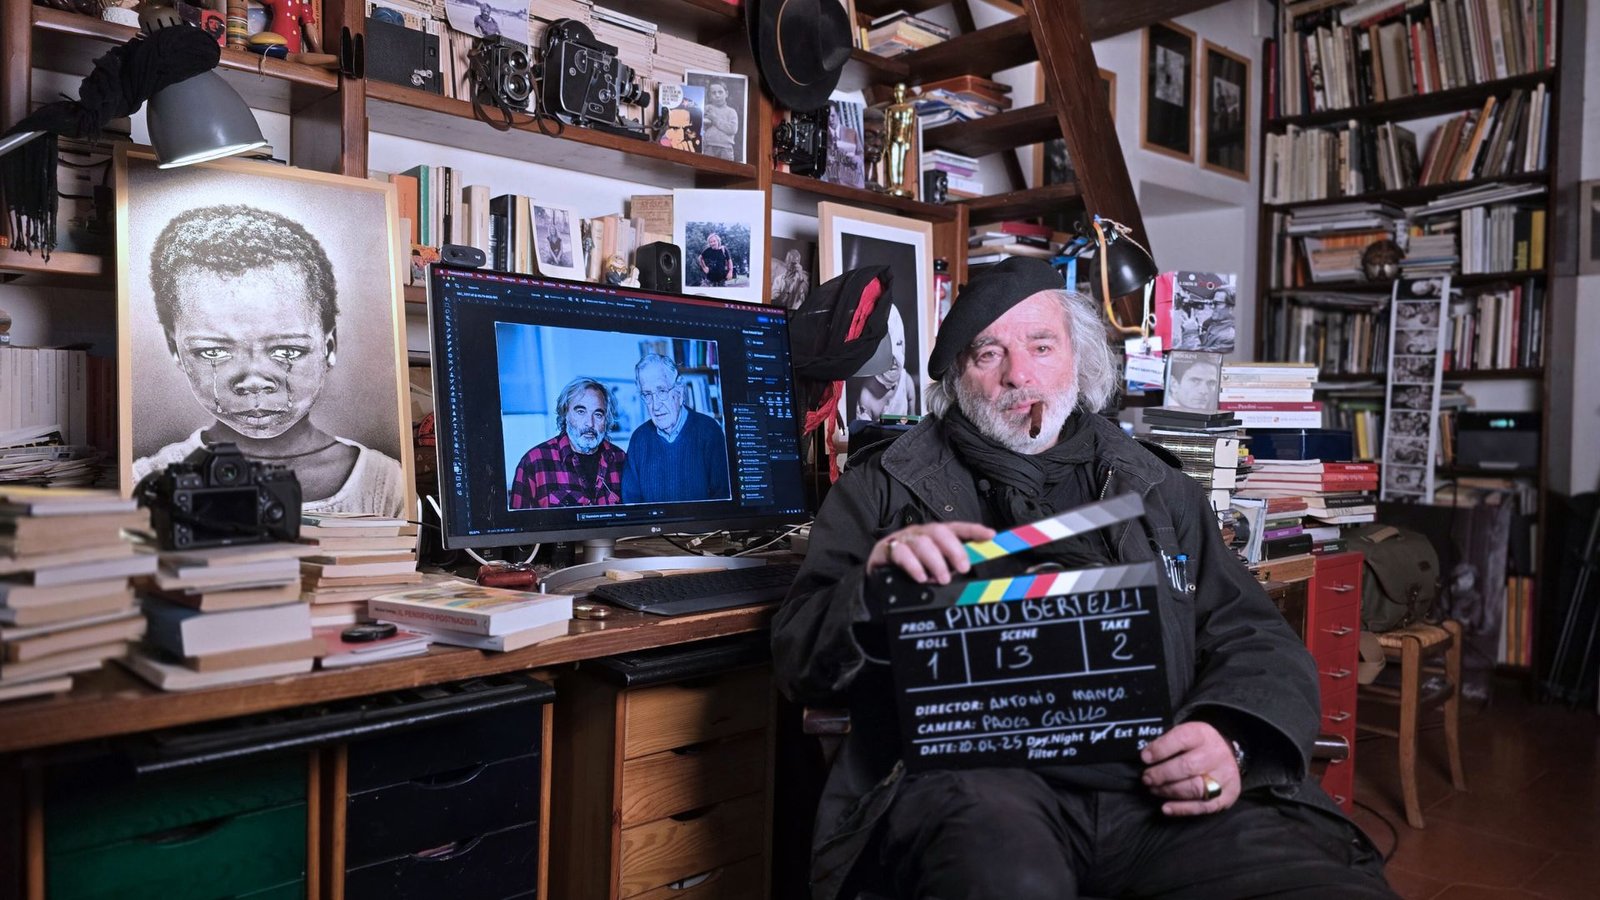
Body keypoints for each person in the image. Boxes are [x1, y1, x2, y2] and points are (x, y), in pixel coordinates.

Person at [773, 257, 1395, 900]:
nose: (1019, 375)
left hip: (1158, 785)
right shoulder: (884, 486)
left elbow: (1254, 637)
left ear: (1080, 358)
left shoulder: (1159, 486)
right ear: (959, 375)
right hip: (978, 786)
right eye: (989, 354)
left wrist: (1229, 737)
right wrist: (875, 588)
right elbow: (797, 656)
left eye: (1041, 346)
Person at [133, 205, 406, 517]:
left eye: (288, 351)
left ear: (328, 346)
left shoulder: (389, 486)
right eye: (212, 352)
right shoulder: (146, 483)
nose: (254, 380)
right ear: (175, 348)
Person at [620, 354, 730, 503]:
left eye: (662, 391)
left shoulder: (709, 431)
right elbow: (631, 503)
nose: (655, 405)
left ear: (679, 391)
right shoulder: (639, 439)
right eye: (647, 394)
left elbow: (722, 499)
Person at [508, 377, 626, 508]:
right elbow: (519, 525)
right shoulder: (534, 462)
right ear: (565, 415)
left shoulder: (621, 459)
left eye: (598, 414)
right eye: (581, 412)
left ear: (606, 420)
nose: (590, 423)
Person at [853, 305, 916, 421]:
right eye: (886, 349)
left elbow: (915, 429)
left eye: (898, 344)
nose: (894, 359)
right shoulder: (866, 396)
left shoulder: (906, 382)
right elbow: (863, 437)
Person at [700, 80, 739, 161]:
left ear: (726, 94)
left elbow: (732, 129)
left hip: (726, 148)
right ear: (710, 96)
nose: (717, 95)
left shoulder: (731, 112)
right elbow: (700, 125)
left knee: (726, 171)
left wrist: (714, 119)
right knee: (706, 169)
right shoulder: (707, 109)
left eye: (720, 92)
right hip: (709, 147)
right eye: (713, 93)